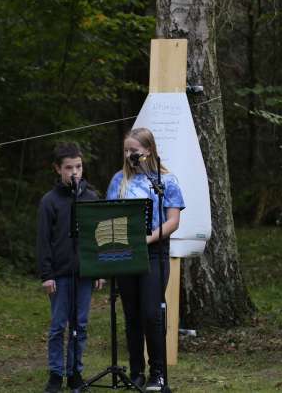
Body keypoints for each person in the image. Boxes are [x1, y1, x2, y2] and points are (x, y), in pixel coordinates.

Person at [105, 127, 185, 391]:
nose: (129, 155)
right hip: (125, 253)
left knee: (152, 312)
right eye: (126, 150)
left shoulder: (165, 181)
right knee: (132, 314)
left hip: (154, 252)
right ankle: (136, 371)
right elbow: (110, 215)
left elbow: (173, 220)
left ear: (148, 151)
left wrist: (149, 237)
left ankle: (158, 373)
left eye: (134, 151)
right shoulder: (119, 180)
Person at [36, 142, 105, 393]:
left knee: (81, 324)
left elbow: (96, 237)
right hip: (60, 274)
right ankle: (56, 374)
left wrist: (98, 270)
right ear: (57, 169)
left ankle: (75, 371)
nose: (74, 172)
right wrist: (47, 274)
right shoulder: (50, 201)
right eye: (68, 168)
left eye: (78, 167)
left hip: (85, 273)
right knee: (58, 326)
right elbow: (44, 241)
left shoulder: (90, 197)